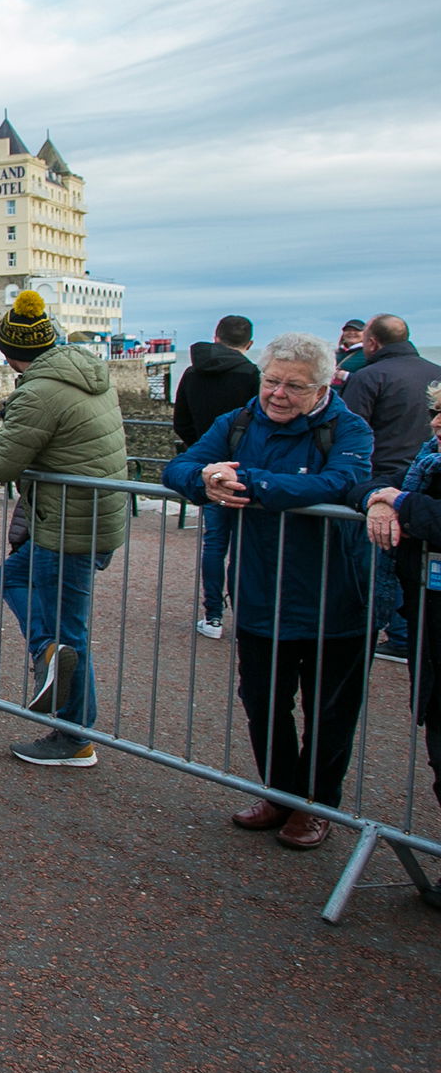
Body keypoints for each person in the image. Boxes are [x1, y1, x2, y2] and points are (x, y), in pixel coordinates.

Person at [164, 333, 374, 849]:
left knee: (329, 712)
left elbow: (340, 483)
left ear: (323, 387)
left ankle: (316, 805)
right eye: (272, 381)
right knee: (263, 702)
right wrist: (207, 479)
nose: (278, 394)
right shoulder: (237, 422)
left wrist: (250, 483)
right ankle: (280, 794)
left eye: (293, 387)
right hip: (261, 590)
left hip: (335, 596)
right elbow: (180, 466)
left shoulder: (348, 428)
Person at [0, 290, 128, 768]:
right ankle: (54, 665)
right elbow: (47, 442)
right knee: (23, 585)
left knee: (66, 626)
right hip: (98, 516)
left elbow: (3, 462)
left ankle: (72, 732)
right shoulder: (86, 370)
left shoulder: (37, 390)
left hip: (68, 524)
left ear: (11, 354)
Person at [361, 380, 441, 840]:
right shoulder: (426, 459)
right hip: (427, 610)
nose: (435, 421)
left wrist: (404, 503)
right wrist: (380, 499)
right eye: (436, 410)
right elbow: (378, 478)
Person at [341, 315, 441, 658]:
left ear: (371, 343)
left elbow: (350, 432)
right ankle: (405, 636)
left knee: (383, 559)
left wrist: (386, 497)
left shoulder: (368, 376)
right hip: (417, 479)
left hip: (389, 478)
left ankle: (389, 630)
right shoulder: (435, 370)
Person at [173, 315, 259, 640]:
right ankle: (245, 617)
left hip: (208, 468)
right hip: (245, 469)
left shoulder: (192, 372)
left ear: (216, 337)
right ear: (248, 344)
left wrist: (201, 450)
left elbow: (180, 419)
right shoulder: (251, 373)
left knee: (215, 543)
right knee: (245, 547)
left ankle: (212, 617)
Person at [332, 319, 367, 391]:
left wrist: (346, 376)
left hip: (352, 394)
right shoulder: (335, 353)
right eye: (347, 330)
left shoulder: (367, 354)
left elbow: (370, 379)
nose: (351, 333)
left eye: (357, 330)